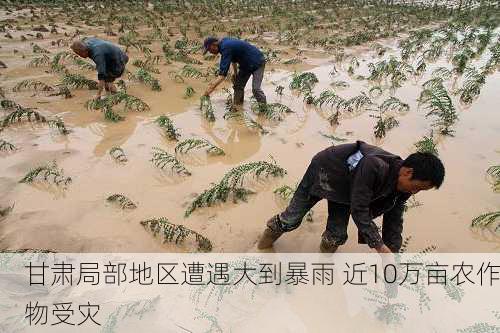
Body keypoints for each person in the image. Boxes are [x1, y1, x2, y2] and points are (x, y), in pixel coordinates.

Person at [257, 141, 445, 253]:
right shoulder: (375, 166)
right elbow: (359, 209)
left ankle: (323, 269)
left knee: (336, 235)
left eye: (421, 191)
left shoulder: (402, 189)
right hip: (326, 169)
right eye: (417, 187)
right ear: (407, 172)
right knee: (291, 219)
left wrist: (392, 256)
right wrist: (379, 245)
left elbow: (393, 222)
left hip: (349, 187)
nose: (415, 193)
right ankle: (261, 248)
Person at [202, 37, 266, 105]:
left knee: (256, 89)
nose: (210, 52)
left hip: (258, 62)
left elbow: (222, 75)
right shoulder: (224, 43)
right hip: (245, 65)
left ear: (214, 44)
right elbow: (233, 58)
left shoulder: (225, 48)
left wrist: (208, 91)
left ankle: (263, 108)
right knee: (238, 86)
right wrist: (235, 73)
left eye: (209, 49)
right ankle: (238, 107)